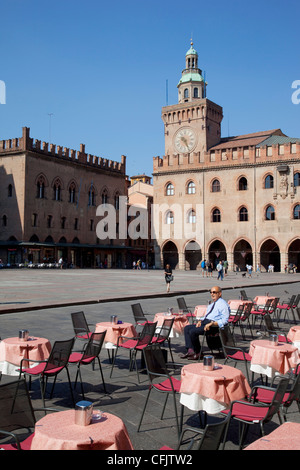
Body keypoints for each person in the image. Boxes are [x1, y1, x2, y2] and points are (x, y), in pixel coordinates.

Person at [181, 286, 230, 360]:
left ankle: (198, 353)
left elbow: (225, 320)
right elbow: (208, 315)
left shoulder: (223, 304)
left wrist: (212, 324)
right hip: (206, 322)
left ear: (219, 294)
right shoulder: (212, 304)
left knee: (193, 331)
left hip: (214, 326)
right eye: (211, 292)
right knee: (187, 328)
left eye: (214, 292)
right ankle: (190, 350)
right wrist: (200, 321)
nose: (212, 294)